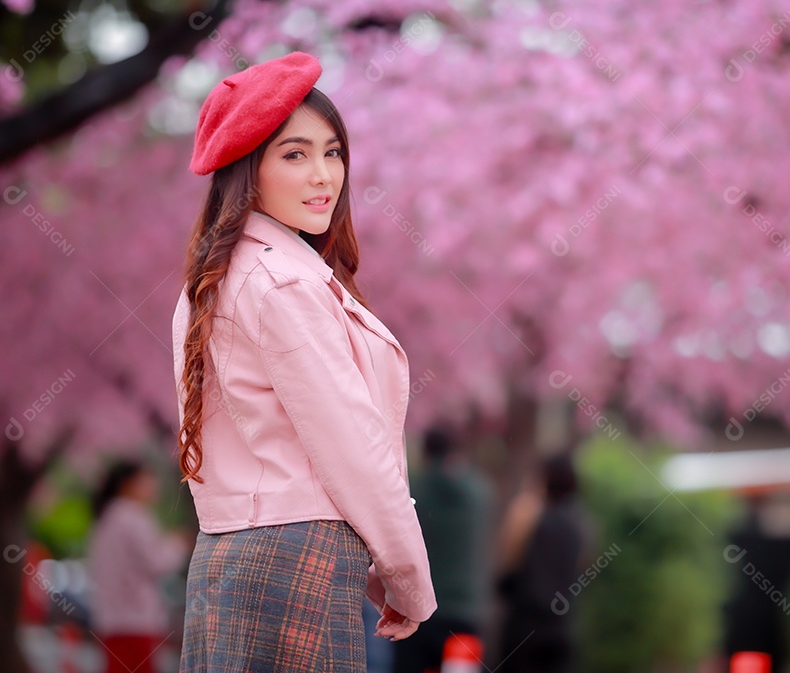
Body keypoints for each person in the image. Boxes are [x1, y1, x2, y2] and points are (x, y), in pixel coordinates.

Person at [172, 51, 437, 672]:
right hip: (299, 560)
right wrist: (408, 579)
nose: (323, 175)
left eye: (333, 152)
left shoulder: (210, 279)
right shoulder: (285, 283)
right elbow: (352, 446)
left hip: (222, 559)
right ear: (248, 168)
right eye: (295, 154)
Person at [392, 425, 493, 673]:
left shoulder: (411, 490)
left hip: (418, 611)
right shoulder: (479, 493)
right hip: (465, 613)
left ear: (426, 452)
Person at [86, 459, 191, 673]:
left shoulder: (106, 519)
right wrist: (178, 544)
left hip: (111, 619)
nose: (154, 485)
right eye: (147, 480)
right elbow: (158, 562)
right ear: (128, 484)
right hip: (136, 620)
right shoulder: (133, 518)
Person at [495, 452, 592, 673]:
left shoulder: (529, 515)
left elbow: (508, 563)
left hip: (525, 627)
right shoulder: (581, 523)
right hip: (561, 628)